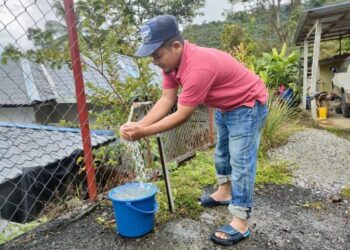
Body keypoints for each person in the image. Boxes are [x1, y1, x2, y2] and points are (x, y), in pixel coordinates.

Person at [119, 15, 268, 246]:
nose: (154, 61)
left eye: (157, 55)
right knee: (222, 153)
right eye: (152, 57)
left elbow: (181, 114)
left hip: (247, 104)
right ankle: (224, 192)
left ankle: (241, 220)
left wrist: (143, 132)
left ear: (176, 46)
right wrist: (139, 125)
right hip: (225, 105)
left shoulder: (198, 67)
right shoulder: (170, 66)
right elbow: (167, 100)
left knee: (241, 161)